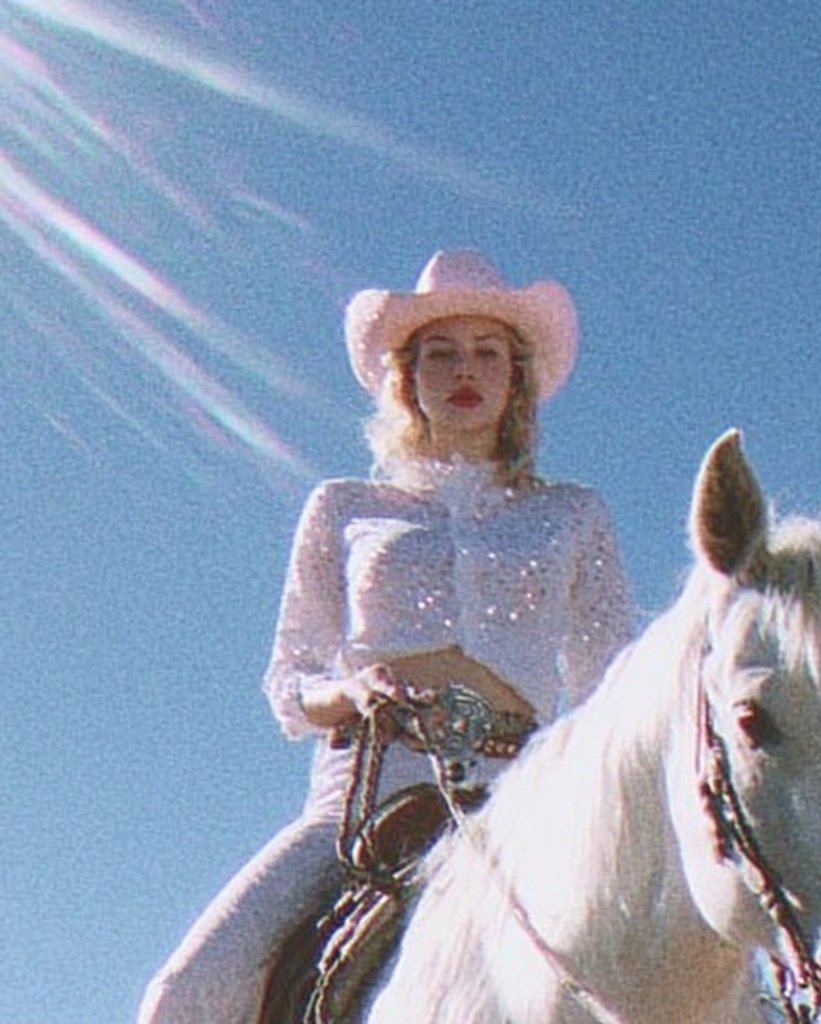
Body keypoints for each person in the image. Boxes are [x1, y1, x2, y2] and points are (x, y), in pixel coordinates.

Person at [138, 249, 634, 1023]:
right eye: (440, 353)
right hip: (362, 802)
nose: (465, 370)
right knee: (182, 995)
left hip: (526, 796)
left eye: (488, 352)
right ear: (407, 377)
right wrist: (352, 689)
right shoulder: (345, 506)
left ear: (516, 378)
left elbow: (614, 688)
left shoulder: (572, 515)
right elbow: (291, 680)